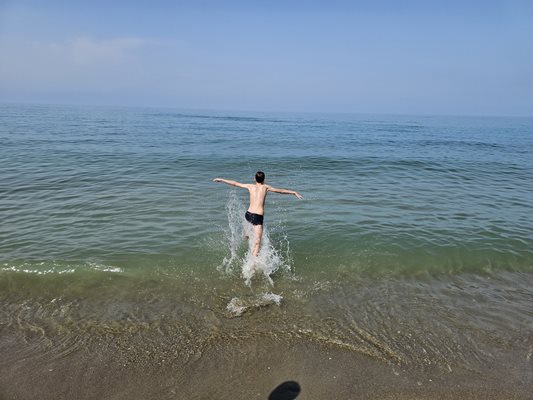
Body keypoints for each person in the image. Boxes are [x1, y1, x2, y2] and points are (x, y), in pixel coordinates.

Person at [213, 171, 303, 257]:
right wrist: (293, 192)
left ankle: (246, 237)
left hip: (248, 214)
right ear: (264, 179)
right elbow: (280, 191)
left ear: (254, 179)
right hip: (258, 217)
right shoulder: (266, 187)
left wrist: (221, 179)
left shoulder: (250, 186)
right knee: (258, 242)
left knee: (248, 233)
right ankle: (253, 261)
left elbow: (235, 183)